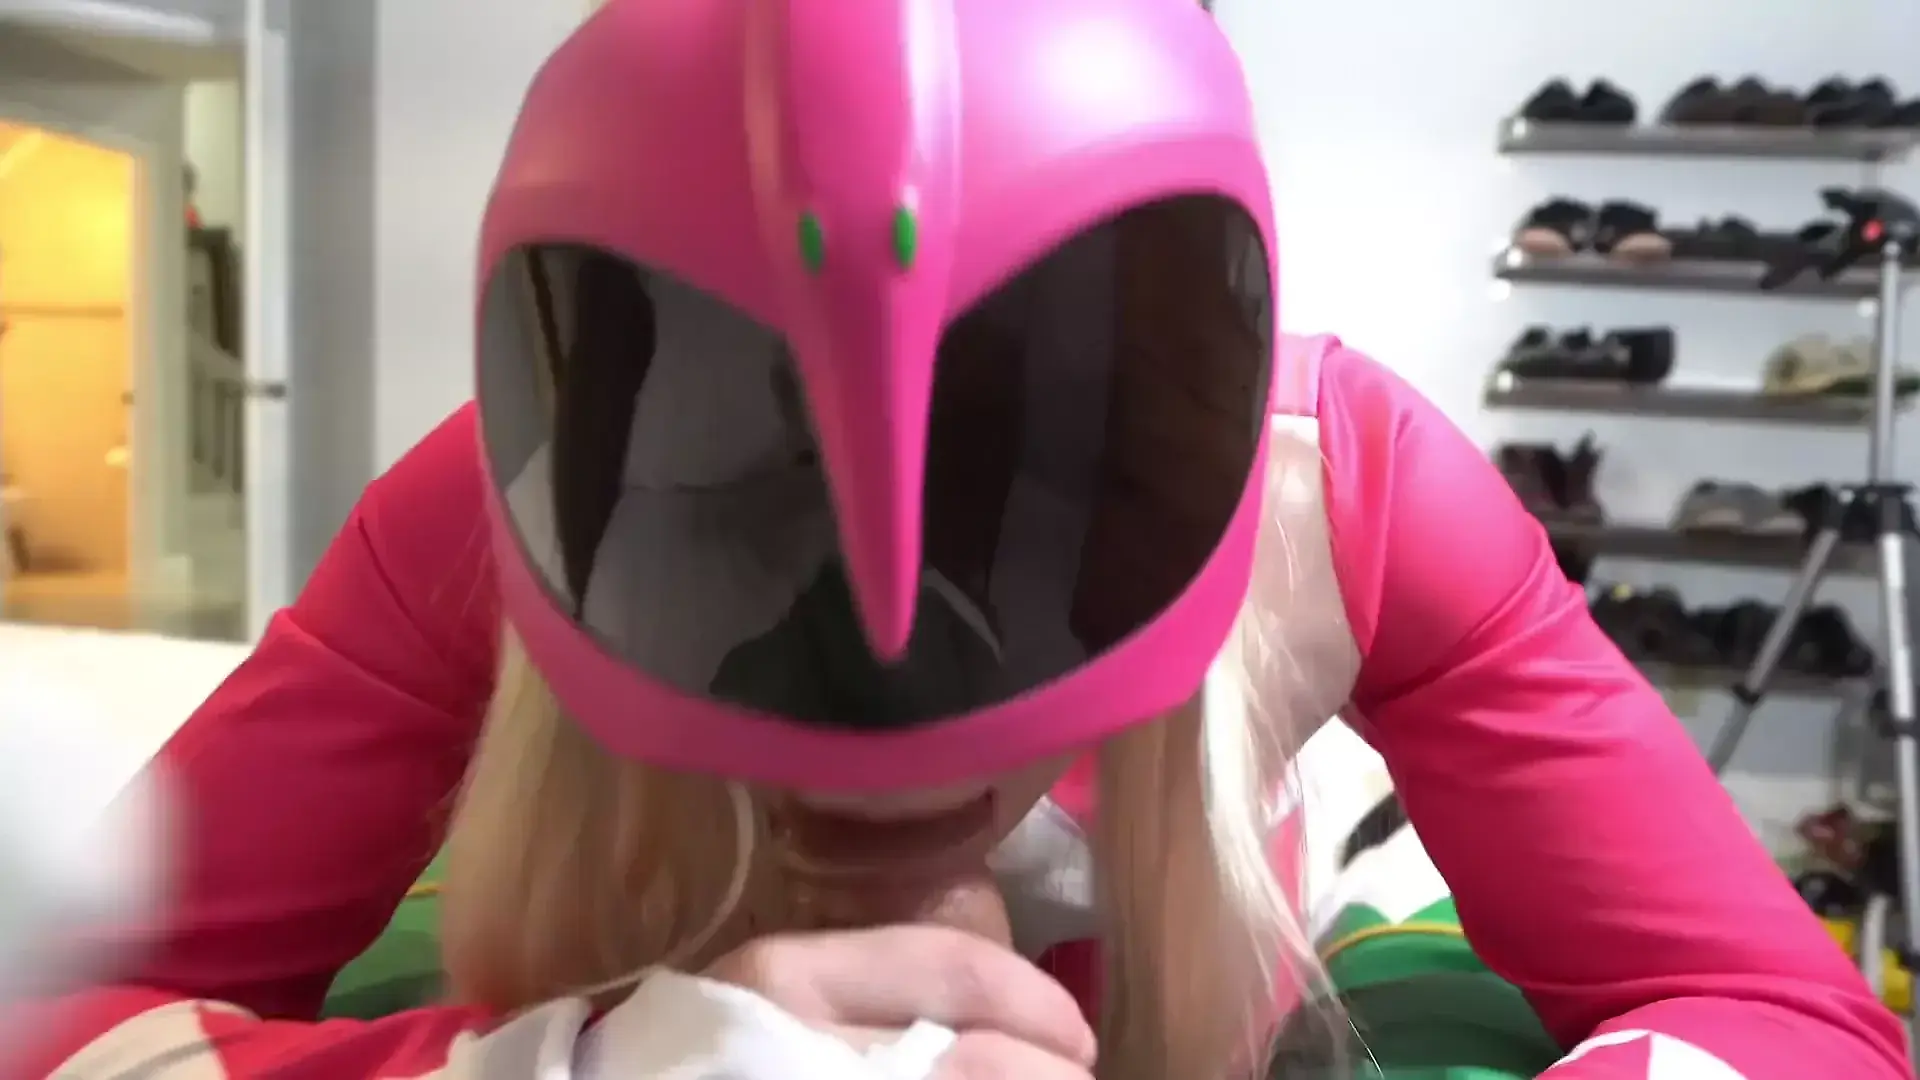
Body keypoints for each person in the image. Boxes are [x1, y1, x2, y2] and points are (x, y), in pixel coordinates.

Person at [13, 0, 1912, 1077]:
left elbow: (1784, 1017)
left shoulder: (1347, 488)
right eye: (741, 484)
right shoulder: (490, 513)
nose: (892, 647)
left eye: (1053, 473)